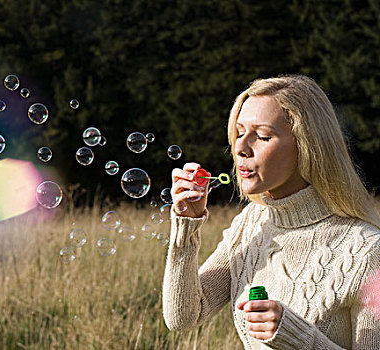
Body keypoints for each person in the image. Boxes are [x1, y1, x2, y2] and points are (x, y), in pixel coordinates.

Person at [163, 75, 380, 349]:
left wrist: (298, 336)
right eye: (239, 132)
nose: (240, 148)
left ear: (307, 146)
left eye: (262, 136)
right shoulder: (250, 224)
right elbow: (183, 317)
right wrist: (187, 224)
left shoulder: (366, 250)